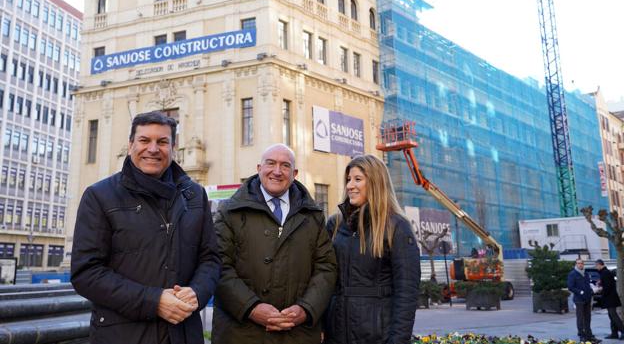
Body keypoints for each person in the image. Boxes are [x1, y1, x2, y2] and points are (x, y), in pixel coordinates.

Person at [71, 111, 221, 344]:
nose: (153, 149)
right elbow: (86, 273)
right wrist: (154, 301)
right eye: (144, 140)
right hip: (122, 335)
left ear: (173, 147)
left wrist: (197, 292)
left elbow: (210, 258)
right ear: (131, 144)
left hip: (183, 333)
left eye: (162, 142)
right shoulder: (99, 196)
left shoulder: (195, 195)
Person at [212, 143, 337, 344]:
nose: (277, 171)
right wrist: (251, 308)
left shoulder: (312, 215)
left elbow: (327, 267)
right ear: (259, 168)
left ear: (294, 173)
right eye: (270, 163)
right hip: (241, 333)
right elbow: (218, 265)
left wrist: (306, 309)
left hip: (297, 333)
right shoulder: (230, 212)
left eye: (285, 165)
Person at [325, 154, 420, 344]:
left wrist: (398, 340)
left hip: (378, 337)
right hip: (335, 334)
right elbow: (324, 280)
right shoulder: (335, 224)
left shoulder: (397, 227)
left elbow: (407, 293)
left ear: (376, 183)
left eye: (358, 179)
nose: (350, 185)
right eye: (348, 180)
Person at [568, 258, 599, 342]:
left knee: (588, 318)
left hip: (587, 298)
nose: (580, 265)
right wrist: (580, 292)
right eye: (578, 263)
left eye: (582, 263)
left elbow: (588, 284)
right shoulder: (573, 274)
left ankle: (589, 335)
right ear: (576, 264)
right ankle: (582, 335)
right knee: (580, 318)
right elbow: (570, 287)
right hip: (579, 299)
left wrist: (592, 290)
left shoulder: (585, 274)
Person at [595, 259, 624, 339]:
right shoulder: (605, 272)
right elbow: (607, 284)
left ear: (599, 265)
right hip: (610, 298)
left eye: (596, 266)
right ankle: (614, 333)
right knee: (611, 316)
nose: (596, 267)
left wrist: (600, 289)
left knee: (614, 315)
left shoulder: (605, 273)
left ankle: (623, 331)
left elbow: (607, 287)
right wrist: (601, 283)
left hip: (610, 298)